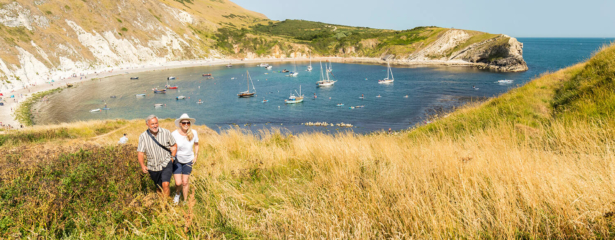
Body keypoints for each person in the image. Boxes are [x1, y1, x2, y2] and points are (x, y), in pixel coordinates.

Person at [137, 115, 177, 197]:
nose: (155, 126)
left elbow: (174, 145)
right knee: (158, 187)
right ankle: (161, 202)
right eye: (152, 124)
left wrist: (172, 158)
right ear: (147, 124)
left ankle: (165, 205)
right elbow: (140, 153)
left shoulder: (166, 132)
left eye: (156, 123)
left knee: (165, 185)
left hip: (166, 162)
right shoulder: (143, 136)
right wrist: (142, 165)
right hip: (153, 166)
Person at [171, 113, 199, 204]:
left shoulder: (193, 133)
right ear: (180, 124)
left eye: (188, 122)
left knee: (185, 181)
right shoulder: (174, 134)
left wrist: (196, 156)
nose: (186, 124)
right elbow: (170, 145)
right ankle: (177, 194)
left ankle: (185, 201)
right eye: (184, 123)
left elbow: (196, 144)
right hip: (177, 160)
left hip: (188, 160)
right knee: (178, 183)